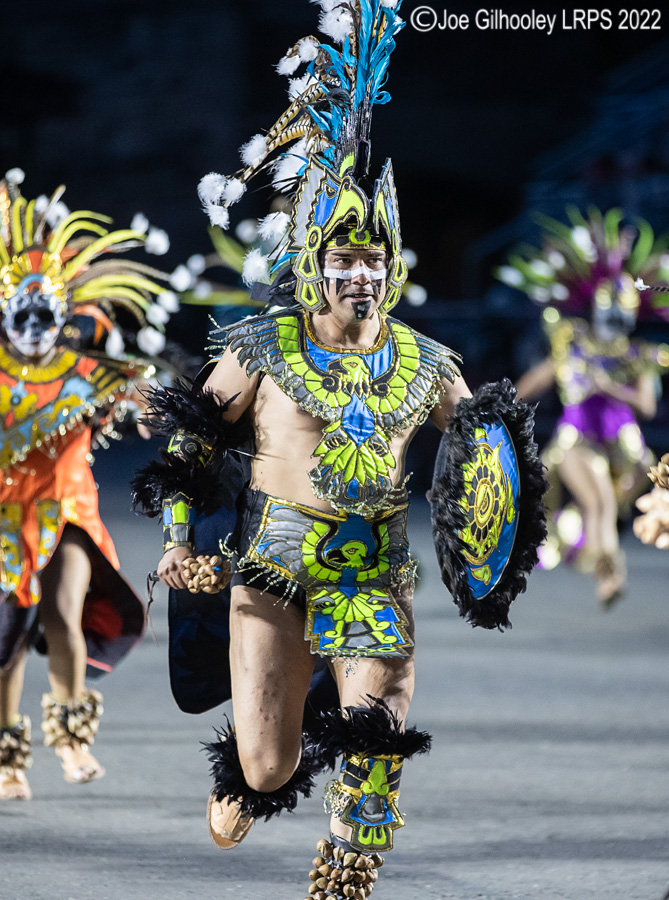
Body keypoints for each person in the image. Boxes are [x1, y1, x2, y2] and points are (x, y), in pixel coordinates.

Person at [135, 3, 546, 897]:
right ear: (315, 264)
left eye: (373, 259)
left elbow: (494, 450)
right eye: (342, 258)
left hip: (374, 568)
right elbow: (192, 442)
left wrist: (504, 524)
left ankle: (347, 867)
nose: (357, 273)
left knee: (382, 716)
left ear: (391, 268)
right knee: (271, 765)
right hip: (273, 565)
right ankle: (260, 762)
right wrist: (178, 542)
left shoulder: (429, 364)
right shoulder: (260, 349)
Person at [0, 171, 173, 800]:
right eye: (23, 312)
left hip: (67, 511)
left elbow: (151, 406)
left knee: (64, 614)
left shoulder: (88, 375)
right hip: (3, 522)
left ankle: (72, 740)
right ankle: (8, 757)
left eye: (48, 312)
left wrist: (179, 418)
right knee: (9, 634)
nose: (36, 324)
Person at [499, 208, 669, 607]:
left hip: (626, 453)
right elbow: (534, 383)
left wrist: (611, 387)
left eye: (622, 306)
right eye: (609, 304)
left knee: (603, 508)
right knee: (599, 504)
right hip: (578, 442)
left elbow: (646, 404)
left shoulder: (637, 354)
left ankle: (592, 556)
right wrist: (494, 408)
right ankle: (610, 576)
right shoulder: (573, 345)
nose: (614, 313)